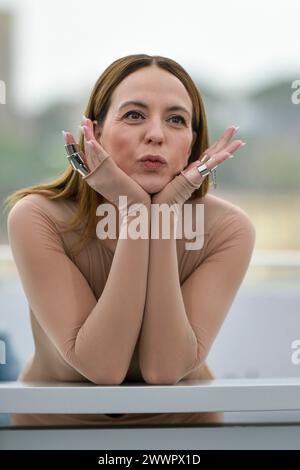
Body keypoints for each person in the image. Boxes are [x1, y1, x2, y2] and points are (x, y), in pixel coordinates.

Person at [4, 54, 256, 427]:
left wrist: (163, 210)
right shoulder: (36, 216)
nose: (156, 134)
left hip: (185, 431)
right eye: (135, 115)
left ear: (190, 146)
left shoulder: (228, 229)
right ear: (96, 132)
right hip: (53, 429)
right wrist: (137, 208)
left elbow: (163, 368)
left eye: (176, 120)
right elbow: (102, 366)